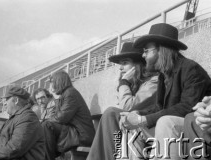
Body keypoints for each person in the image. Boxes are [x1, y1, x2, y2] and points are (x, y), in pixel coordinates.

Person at [117, 23, 211, 160]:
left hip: (197, 132)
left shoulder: (191, 69)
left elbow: (187, 107)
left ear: (161, 49)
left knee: (165, 122)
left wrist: (142, 120)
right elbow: (159, 106)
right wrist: (137, 113)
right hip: (174, 131)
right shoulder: (164, 74)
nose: (143, 55)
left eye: (146, 50)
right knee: (133, 128)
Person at [87, 42, 158, 160]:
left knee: (111, 113)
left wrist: (124, 83)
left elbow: (128, 107)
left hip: (149, 127)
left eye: (125, 63)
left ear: (138, 65)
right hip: (134, 127)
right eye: (120, 64)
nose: (120, 68)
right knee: (111, 114)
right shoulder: (133, 84)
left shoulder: (153, 81)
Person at [0, 86, 45, 160]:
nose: (4, 103)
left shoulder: (28, 118)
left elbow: (15, 147)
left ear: (16, 100)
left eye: (6, 99)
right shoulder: (13, 118)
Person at [41, 70, 95, 160]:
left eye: (51, 83)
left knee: (46, 126)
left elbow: (62, 118)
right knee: (44, 127)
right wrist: (56, 97)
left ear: (58, 81)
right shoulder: (65, 94)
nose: (50, 86)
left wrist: (55, 96)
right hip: (74, 131)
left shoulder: (71, 93)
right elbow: (59, 116)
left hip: (82, 134)